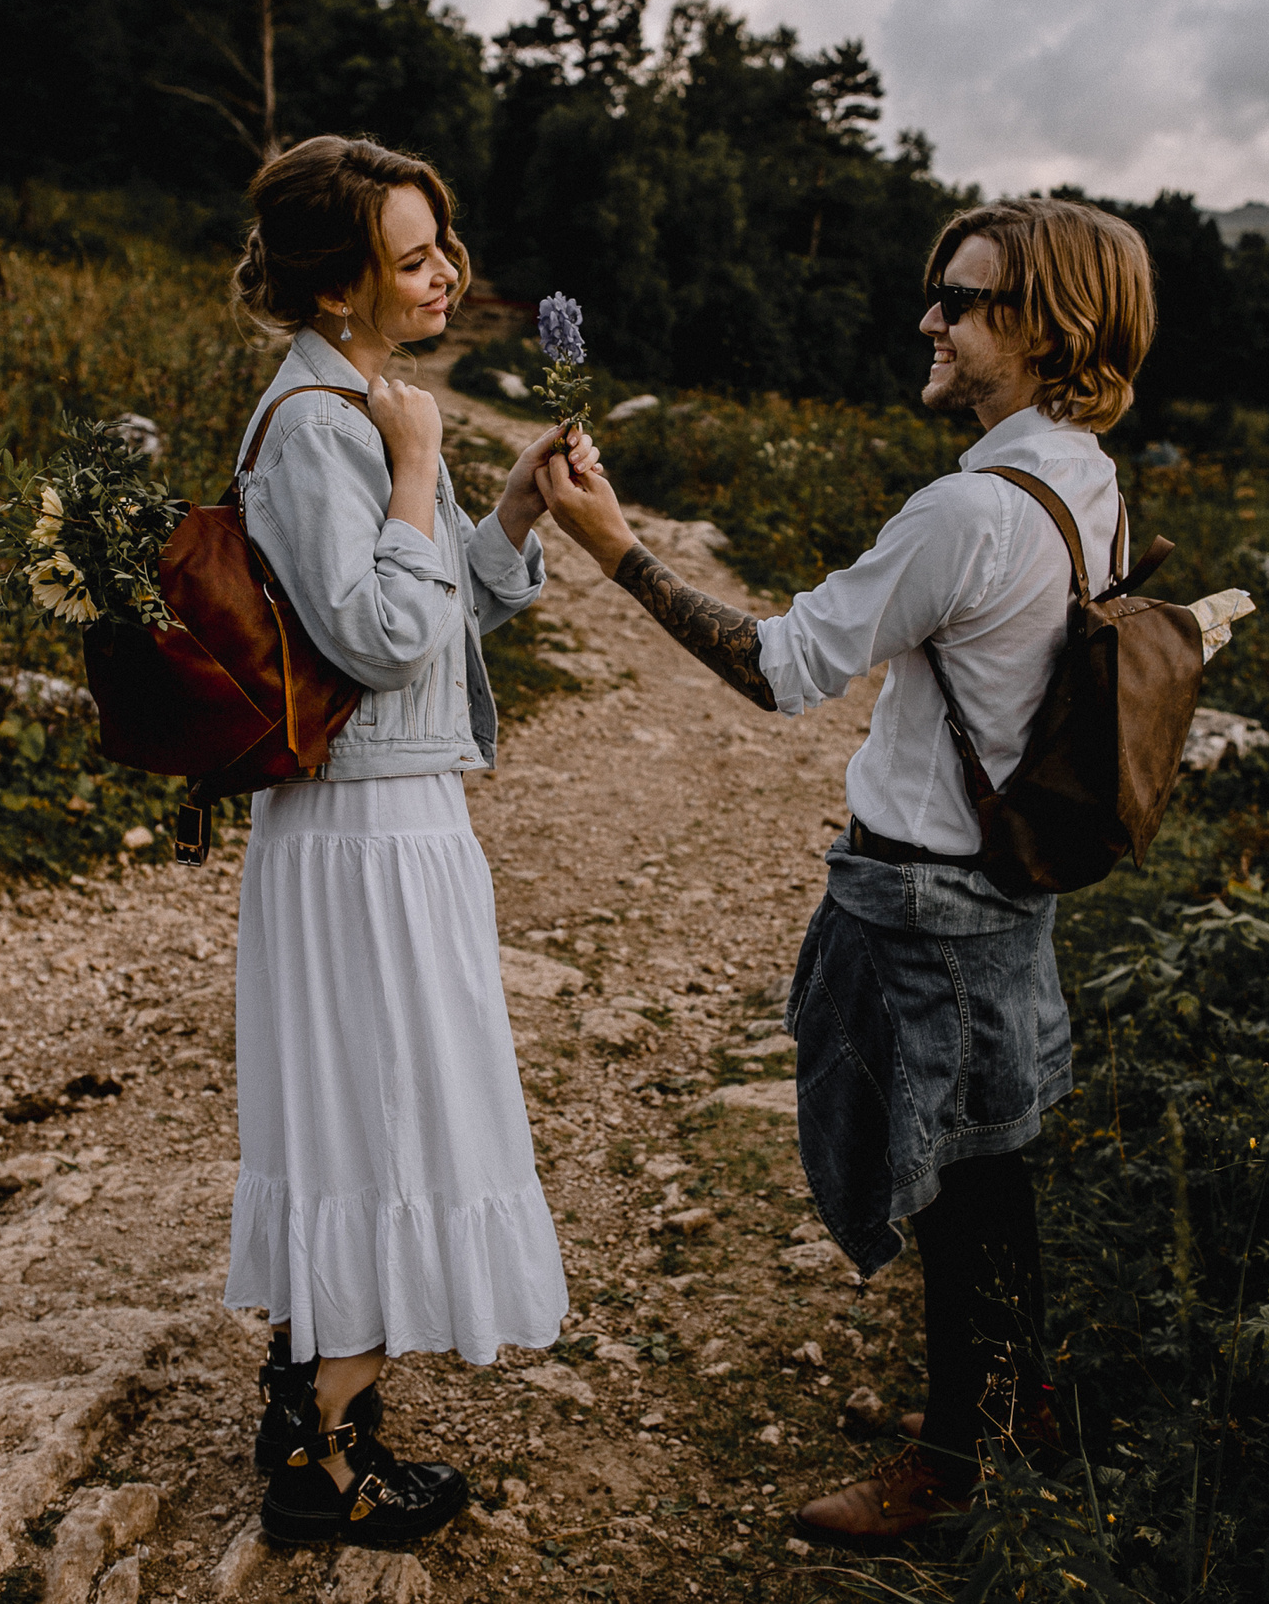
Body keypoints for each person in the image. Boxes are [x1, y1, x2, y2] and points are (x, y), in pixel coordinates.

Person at [535, 197, 1155, 1538]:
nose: (928, 317)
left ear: (1046, 328)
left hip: (922, 899)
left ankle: (949, 1470)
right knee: (992, 1156)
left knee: (936, 1173)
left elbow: (779, 668)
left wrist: (616, 549)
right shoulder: (1085, 477)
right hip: (1009, 880)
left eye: (962, 297)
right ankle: (1018, 1401)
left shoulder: (969, 510)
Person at [222, 135, 588, 1545]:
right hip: (363, 829)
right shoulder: (324, 425)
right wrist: (425, 462)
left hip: (387, 813)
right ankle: (320, 1464)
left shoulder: (353, 402)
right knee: (384, 1114)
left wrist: (498, 511)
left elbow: (424, 627)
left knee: (368, 1104)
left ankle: (316, 1404)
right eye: (416, 253)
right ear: (338, 280)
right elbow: (377, 637)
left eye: (445, 244)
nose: (449, 273)